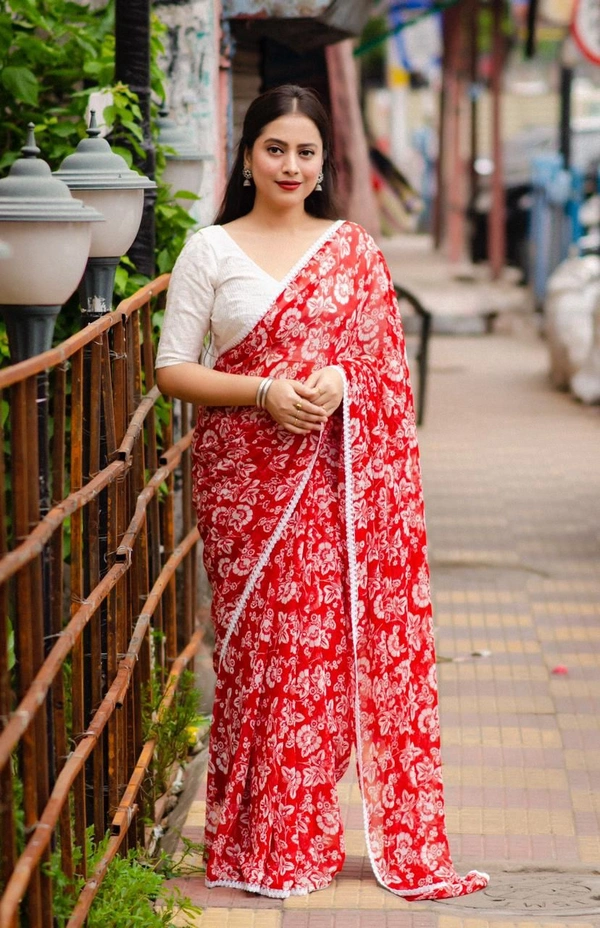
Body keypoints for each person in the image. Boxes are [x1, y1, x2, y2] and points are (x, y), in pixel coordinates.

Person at [155, 84, 489, 901]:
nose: (291, 165)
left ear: (325, 161)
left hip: (336, 493)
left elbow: (385, 377)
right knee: (256, 655)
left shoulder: (353, 251)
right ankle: (245, 840)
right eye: (275, 149)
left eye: (306, 151)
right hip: (246, 491)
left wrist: (346, 383)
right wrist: (265, 392)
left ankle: (298, 836)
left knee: (316, 661)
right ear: (245, 157)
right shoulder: (210, 250)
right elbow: (171, 369)